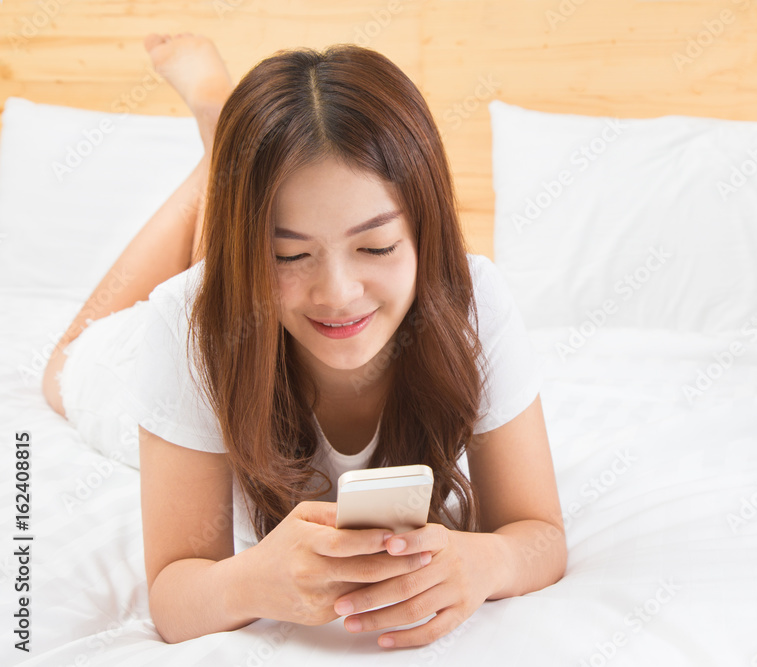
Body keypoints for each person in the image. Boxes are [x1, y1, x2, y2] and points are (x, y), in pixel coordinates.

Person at [41, 33, 566, 649]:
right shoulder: (180, 330)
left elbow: (539, 534)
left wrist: (486, 562)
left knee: (262, 277)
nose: (338, 293)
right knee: (62, 363)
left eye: (376, 246)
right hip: (196, 330)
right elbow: (175, 598)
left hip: (252, 300)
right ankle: (218, 136)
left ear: (428, 232)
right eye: (288, 253)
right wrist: (252, 583)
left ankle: (235, 173)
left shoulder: (472, 300)